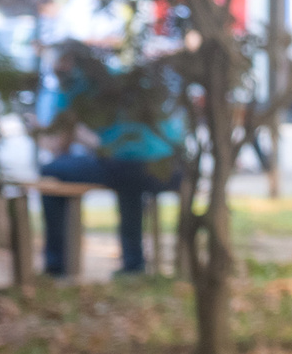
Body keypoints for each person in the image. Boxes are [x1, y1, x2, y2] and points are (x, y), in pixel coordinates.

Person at [38, 42, 184, 277]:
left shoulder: (76, 85)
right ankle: (133, 264)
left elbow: (58, 145)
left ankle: (57, 264)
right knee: (126, 178)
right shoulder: (123, 77)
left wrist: (40, 131)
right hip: (172, 168)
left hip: (129, 167)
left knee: (52, 171)